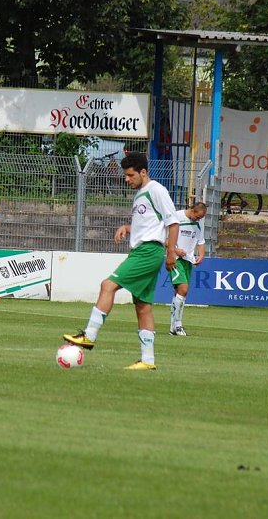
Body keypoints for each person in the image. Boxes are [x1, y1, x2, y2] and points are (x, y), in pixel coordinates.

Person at [63, 152, 179, 371]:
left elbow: (172, 223)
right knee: (143, 307)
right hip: (141, 250)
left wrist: (171, 252)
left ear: (143, 172)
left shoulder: (156, 190)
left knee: (108, 285)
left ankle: (89, 335)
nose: (127, 179)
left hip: (148, 252)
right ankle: (148, 360)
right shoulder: (140, 194)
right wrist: (128, 228)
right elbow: (148, 223)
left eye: (130, 175)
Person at [169, 201, 207, 337]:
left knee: (179, 293)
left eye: (201, 218)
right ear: (192, 210)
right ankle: (178, 325)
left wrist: (201, 255)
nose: (199, 219)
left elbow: (201, 242)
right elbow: (163, 238)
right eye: (198, 216)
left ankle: (173, 326)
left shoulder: (198, 223)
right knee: (183, 289)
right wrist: (175, 249)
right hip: (175, 258)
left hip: (188, 261)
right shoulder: (176, 216)